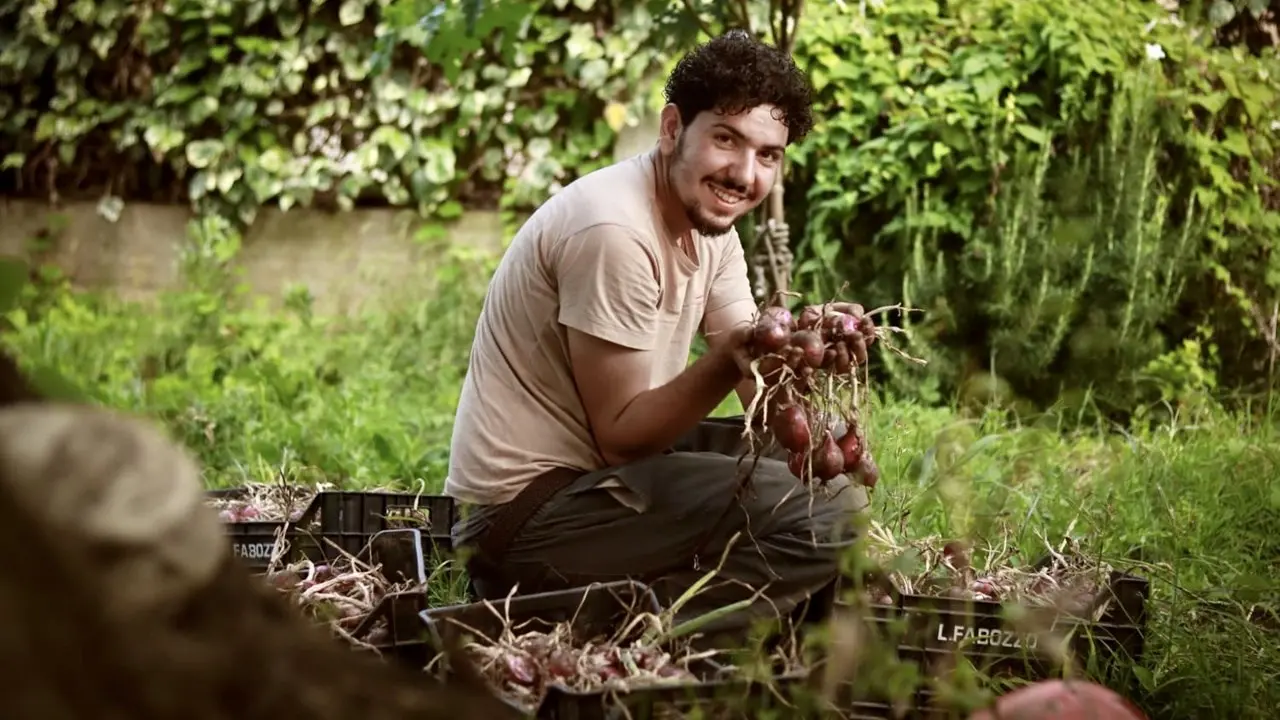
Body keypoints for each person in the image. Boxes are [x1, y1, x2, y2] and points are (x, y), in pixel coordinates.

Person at [446, 31, 870, 641]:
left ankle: (795, 629)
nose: (744, 175)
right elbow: (621, 438)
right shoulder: (613, 229)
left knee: (817, 464)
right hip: (522, 522)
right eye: (725, 139)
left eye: (768, 155)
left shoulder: (713, 229)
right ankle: (627, 636)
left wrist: (805, 350)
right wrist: (730, 361)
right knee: (826, 512)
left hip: (601, 485)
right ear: (673, 128)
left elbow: (767, 401)